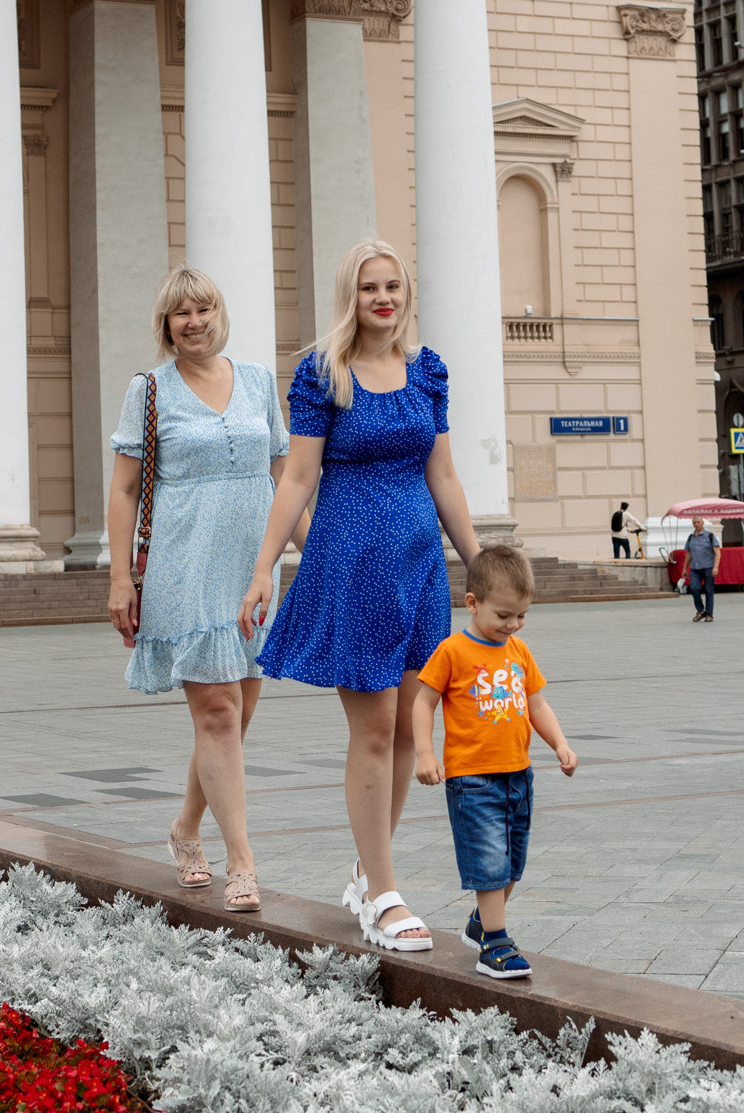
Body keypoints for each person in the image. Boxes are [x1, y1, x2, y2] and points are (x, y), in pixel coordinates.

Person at [246, 241, 482, 956]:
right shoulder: (323, 373)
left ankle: (367, 873)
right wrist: (264, 568)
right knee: (376, 731)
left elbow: (443, 475)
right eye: (370, 287)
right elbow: (297, 477)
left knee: (412, 729)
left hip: (419, 568)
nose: (384, 298)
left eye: (393, 286)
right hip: (352, 564)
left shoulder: (427, 370)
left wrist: (481, 564)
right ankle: (383, 894)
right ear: (351, 295)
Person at [106, 267, 296, 915]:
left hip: (252, 566)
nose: (194, 321)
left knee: (235, 717)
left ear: (219, 314)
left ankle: (185, 826)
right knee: (216, 711)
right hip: (184, 565)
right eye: (181, 313)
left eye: (204, 308)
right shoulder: (149, 391)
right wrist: (120, 578)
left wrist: (315, 553)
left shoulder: (259, 382)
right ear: (166, 324)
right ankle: (242, 861)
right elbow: (124, 489)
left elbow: (283, 478)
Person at [412, 546, 578, 981]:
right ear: (473, 603)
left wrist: (559, 744)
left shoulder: (518, 651)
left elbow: (537, 705)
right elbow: (423, 701)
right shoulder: (453, 651)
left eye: (522, 615)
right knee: (489, 865)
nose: (513, 625)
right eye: (504, 615)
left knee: (512, 865)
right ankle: (495, 944)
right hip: (472, 780)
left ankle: (480, 923)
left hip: (518, 775)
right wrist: (425, 753)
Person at [682, 516, 718, 621]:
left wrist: (715, 567)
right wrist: (684, 568)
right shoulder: (691, 537)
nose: (696, 524)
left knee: (708, 590)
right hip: (695, 568)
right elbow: (689, 554)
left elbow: (717, 552)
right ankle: (700, 610)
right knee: (694, 588)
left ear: (703, 523)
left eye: (698, 522)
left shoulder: (710, 536)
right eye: (694, 522)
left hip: (708, 567)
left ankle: (709, 614)